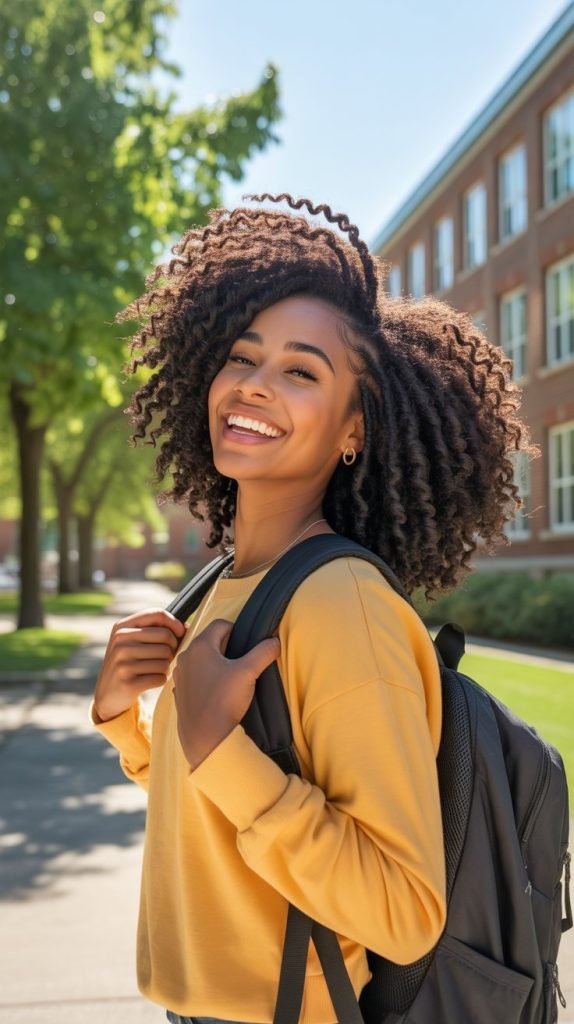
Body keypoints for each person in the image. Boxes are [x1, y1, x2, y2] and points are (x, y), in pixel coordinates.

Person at [92, 194, 534, 1024]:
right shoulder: (228, 582)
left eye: (301, 371)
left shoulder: (342, 606)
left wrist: (216, 741)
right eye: (242, 357)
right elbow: (214, 806)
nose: (253, 387)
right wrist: (130, 722)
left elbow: (403, 914)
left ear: (352, 429)